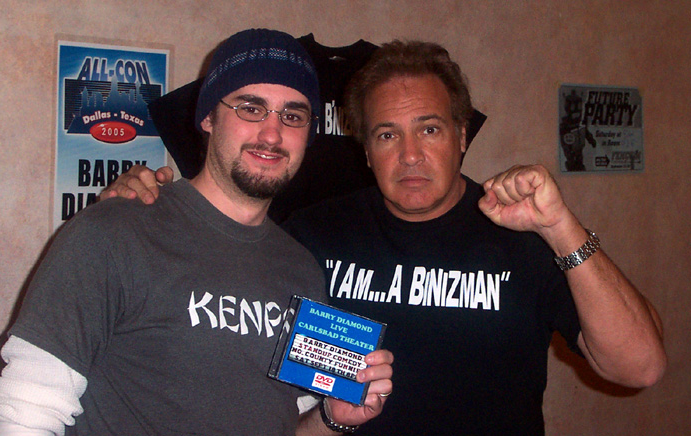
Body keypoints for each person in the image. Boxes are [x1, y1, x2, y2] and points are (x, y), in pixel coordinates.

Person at [96, 40, 666, 435]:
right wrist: (146, 211)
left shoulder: (521, 234)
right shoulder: (311, 235)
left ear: (461, 135)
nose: (410, 155)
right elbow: (209, 314)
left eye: (430, 129)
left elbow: (639, 367)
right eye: (387, 134)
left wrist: (561, 227)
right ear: (366, 150)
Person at [0, 29, 394, 436]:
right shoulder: (111, 233)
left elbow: (286, 425)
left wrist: (330, 417)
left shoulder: (301, 270)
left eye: (292, 116)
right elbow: (25, 414)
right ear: (208, 117)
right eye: (251, 108)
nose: (272, 134)